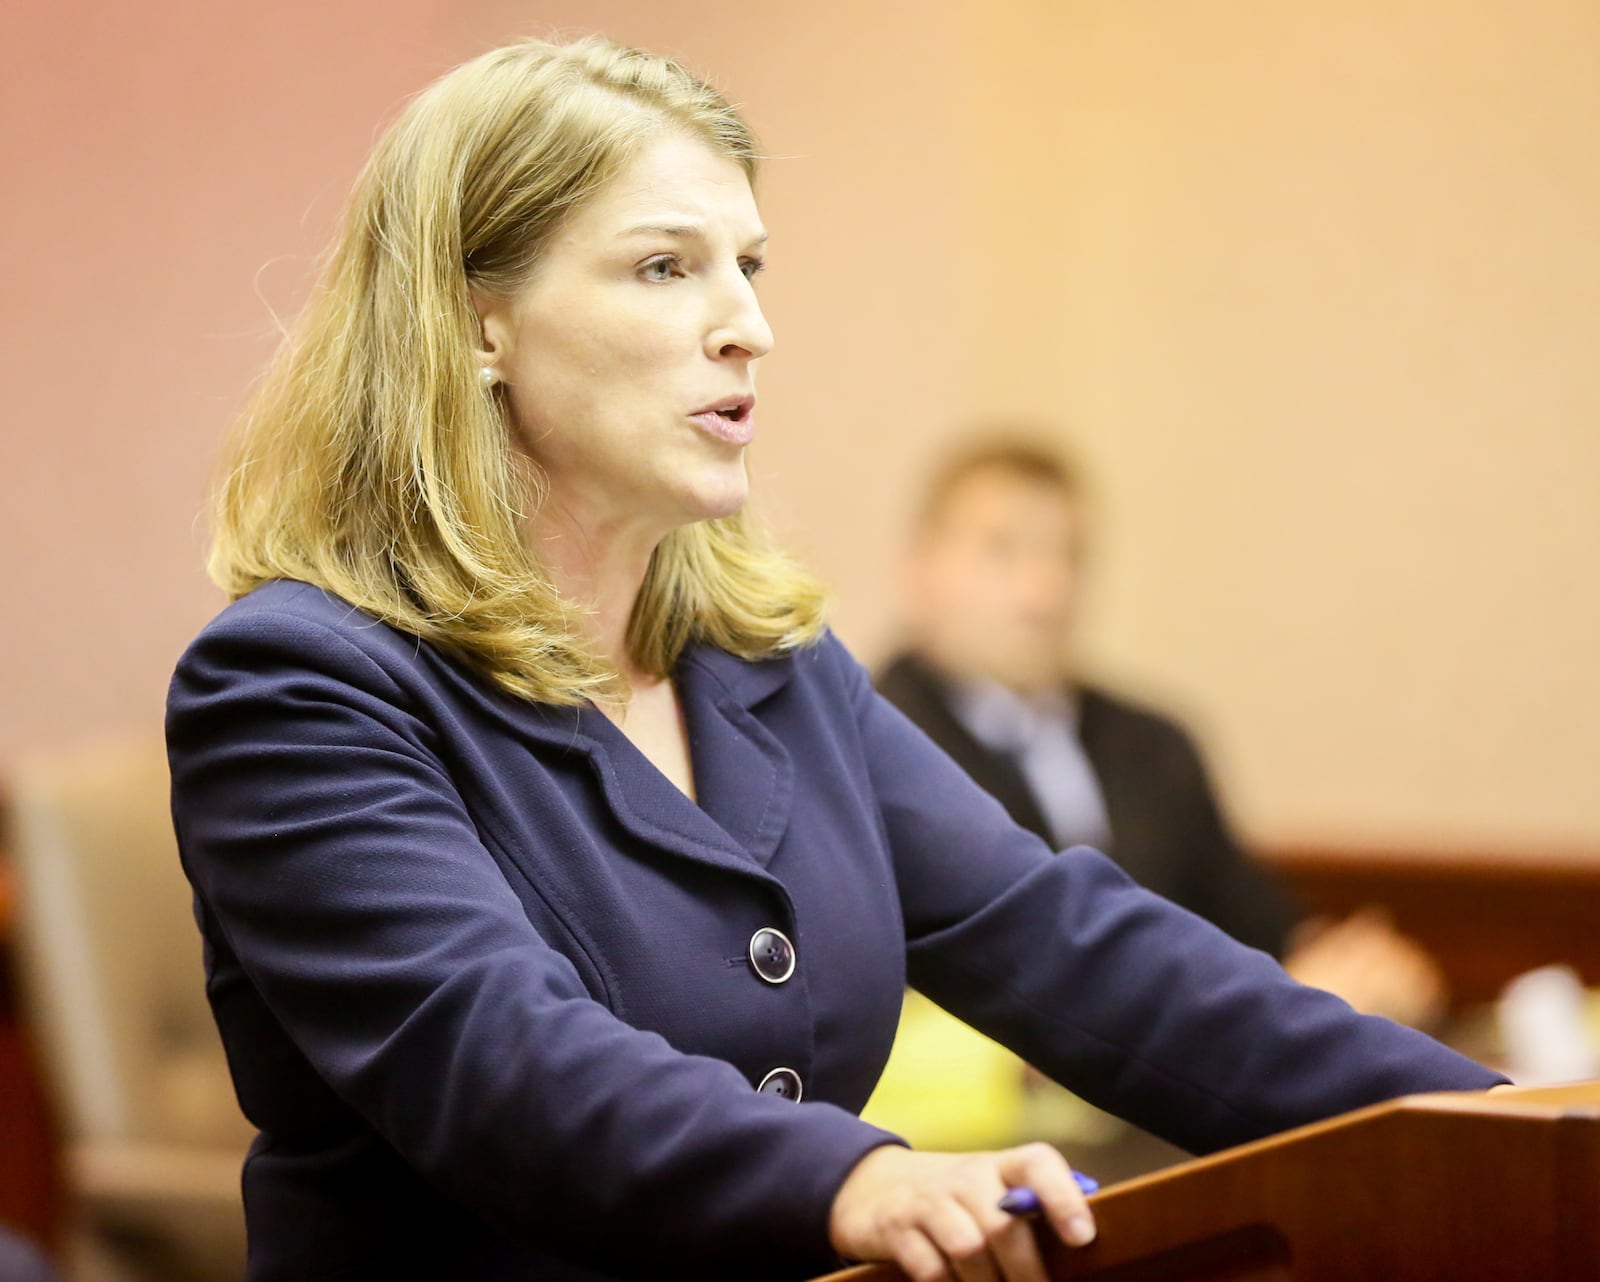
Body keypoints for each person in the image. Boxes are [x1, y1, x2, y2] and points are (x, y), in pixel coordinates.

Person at [165, 36, 1500, 1282]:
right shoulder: (294, 685)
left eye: (751, 264)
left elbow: (1071, 946)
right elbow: (497, 1056)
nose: (748, 323)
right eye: (665, 266)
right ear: (477, 322)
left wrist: (1499, 1127)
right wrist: (857, 1175)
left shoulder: (768, 663)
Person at [878, 439, 1446, 1027]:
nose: (1044, 591)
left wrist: (1349, 974)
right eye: (1002, 552)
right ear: (919, 569)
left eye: (1068, 555)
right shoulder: (875, 751)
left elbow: (1259, 932)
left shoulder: (1152, 745)